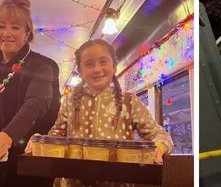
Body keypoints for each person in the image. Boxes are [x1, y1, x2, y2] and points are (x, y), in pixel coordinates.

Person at [29, 39, 173, 187]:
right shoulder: (69, 101)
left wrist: (159, 147)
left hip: (118, 182)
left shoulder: (129, 102)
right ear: (80, 71)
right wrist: (38, 142)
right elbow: (56, 136)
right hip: (73, 182)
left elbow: (160, 135)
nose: (97, 69)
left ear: (114, 66)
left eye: (103, 62)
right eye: (89, 64)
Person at [0, 0, 60, 187]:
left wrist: (7, 136)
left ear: (27, 34)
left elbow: (37, 102)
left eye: (15, 27)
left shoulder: (43, 65)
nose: (6, 33)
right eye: (1, 27)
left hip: (26, 167)